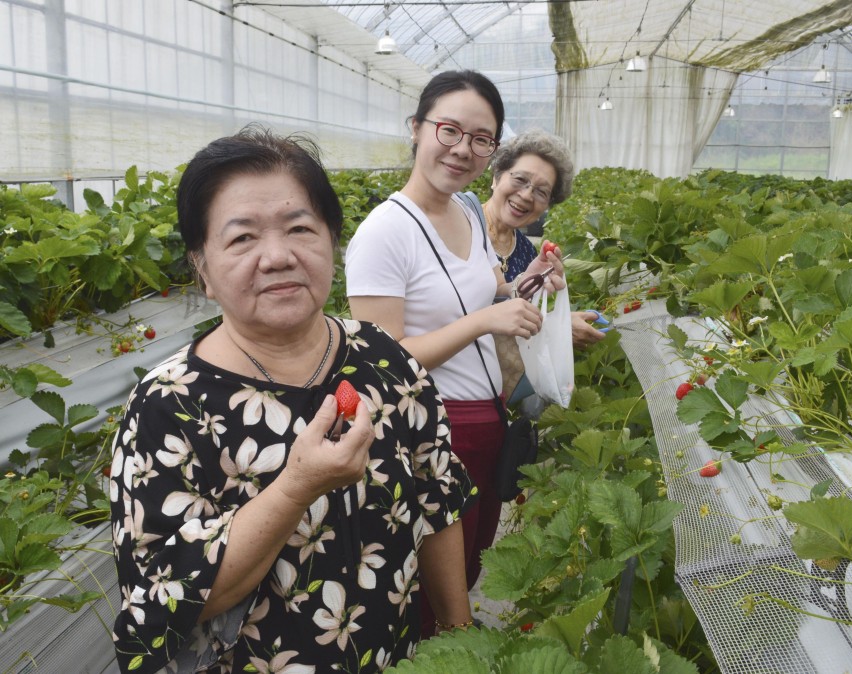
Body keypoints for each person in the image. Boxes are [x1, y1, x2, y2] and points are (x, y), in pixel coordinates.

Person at [109, 126, 477, 673]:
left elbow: (437, 500)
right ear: (203, 270)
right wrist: (297, 487)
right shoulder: (168, 407)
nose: (277, 256)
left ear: (332, 241)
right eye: (242, 238)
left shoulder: (383, 358)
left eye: (300, 228)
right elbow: (159, 605)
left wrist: (461, 638)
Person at [344, 70, 564, 635]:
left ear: (491, 149)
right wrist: (483, 321)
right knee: (428, 589)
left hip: (486, 415)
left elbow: (493, 295)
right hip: (433, 430)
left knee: (468, 563)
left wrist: (531, 282)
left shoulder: (467, 211)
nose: (463, 148)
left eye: (481, 137)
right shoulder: (383, 233)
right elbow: (382, 363)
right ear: (416, 129)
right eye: (449, 129)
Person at [482, 130, 607, 350]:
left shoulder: (527, 253)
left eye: (541, 192)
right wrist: (556, 330)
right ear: (496, 177)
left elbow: (516, 324)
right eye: (520, 179)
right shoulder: (464, 228)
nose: (527, 195)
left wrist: (559, 321)